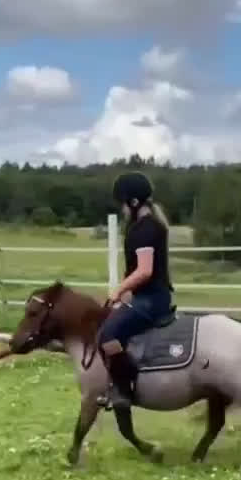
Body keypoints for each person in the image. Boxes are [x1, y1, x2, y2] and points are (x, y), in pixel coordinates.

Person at [98, 172, 173, 409]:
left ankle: (124, 388)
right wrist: (124, 298)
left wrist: (117, 291)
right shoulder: (145, 226)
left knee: (108, 335)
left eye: (122, 203)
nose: (121, 210)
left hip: (152, 299)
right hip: (145, 296)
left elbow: (144, 271)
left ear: (133, 202)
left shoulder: (145, 230)